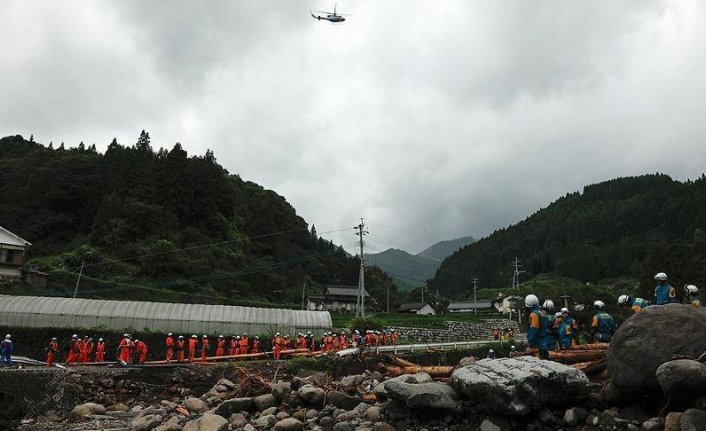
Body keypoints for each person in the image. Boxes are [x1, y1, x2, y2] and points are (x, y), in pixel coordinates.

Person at [525, 294, 549, 359]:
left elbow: (533, 331)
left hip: (538, 345)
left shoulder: (534, 314)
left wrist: (530, 345)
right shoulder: (543, 312)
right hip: (545, 343)